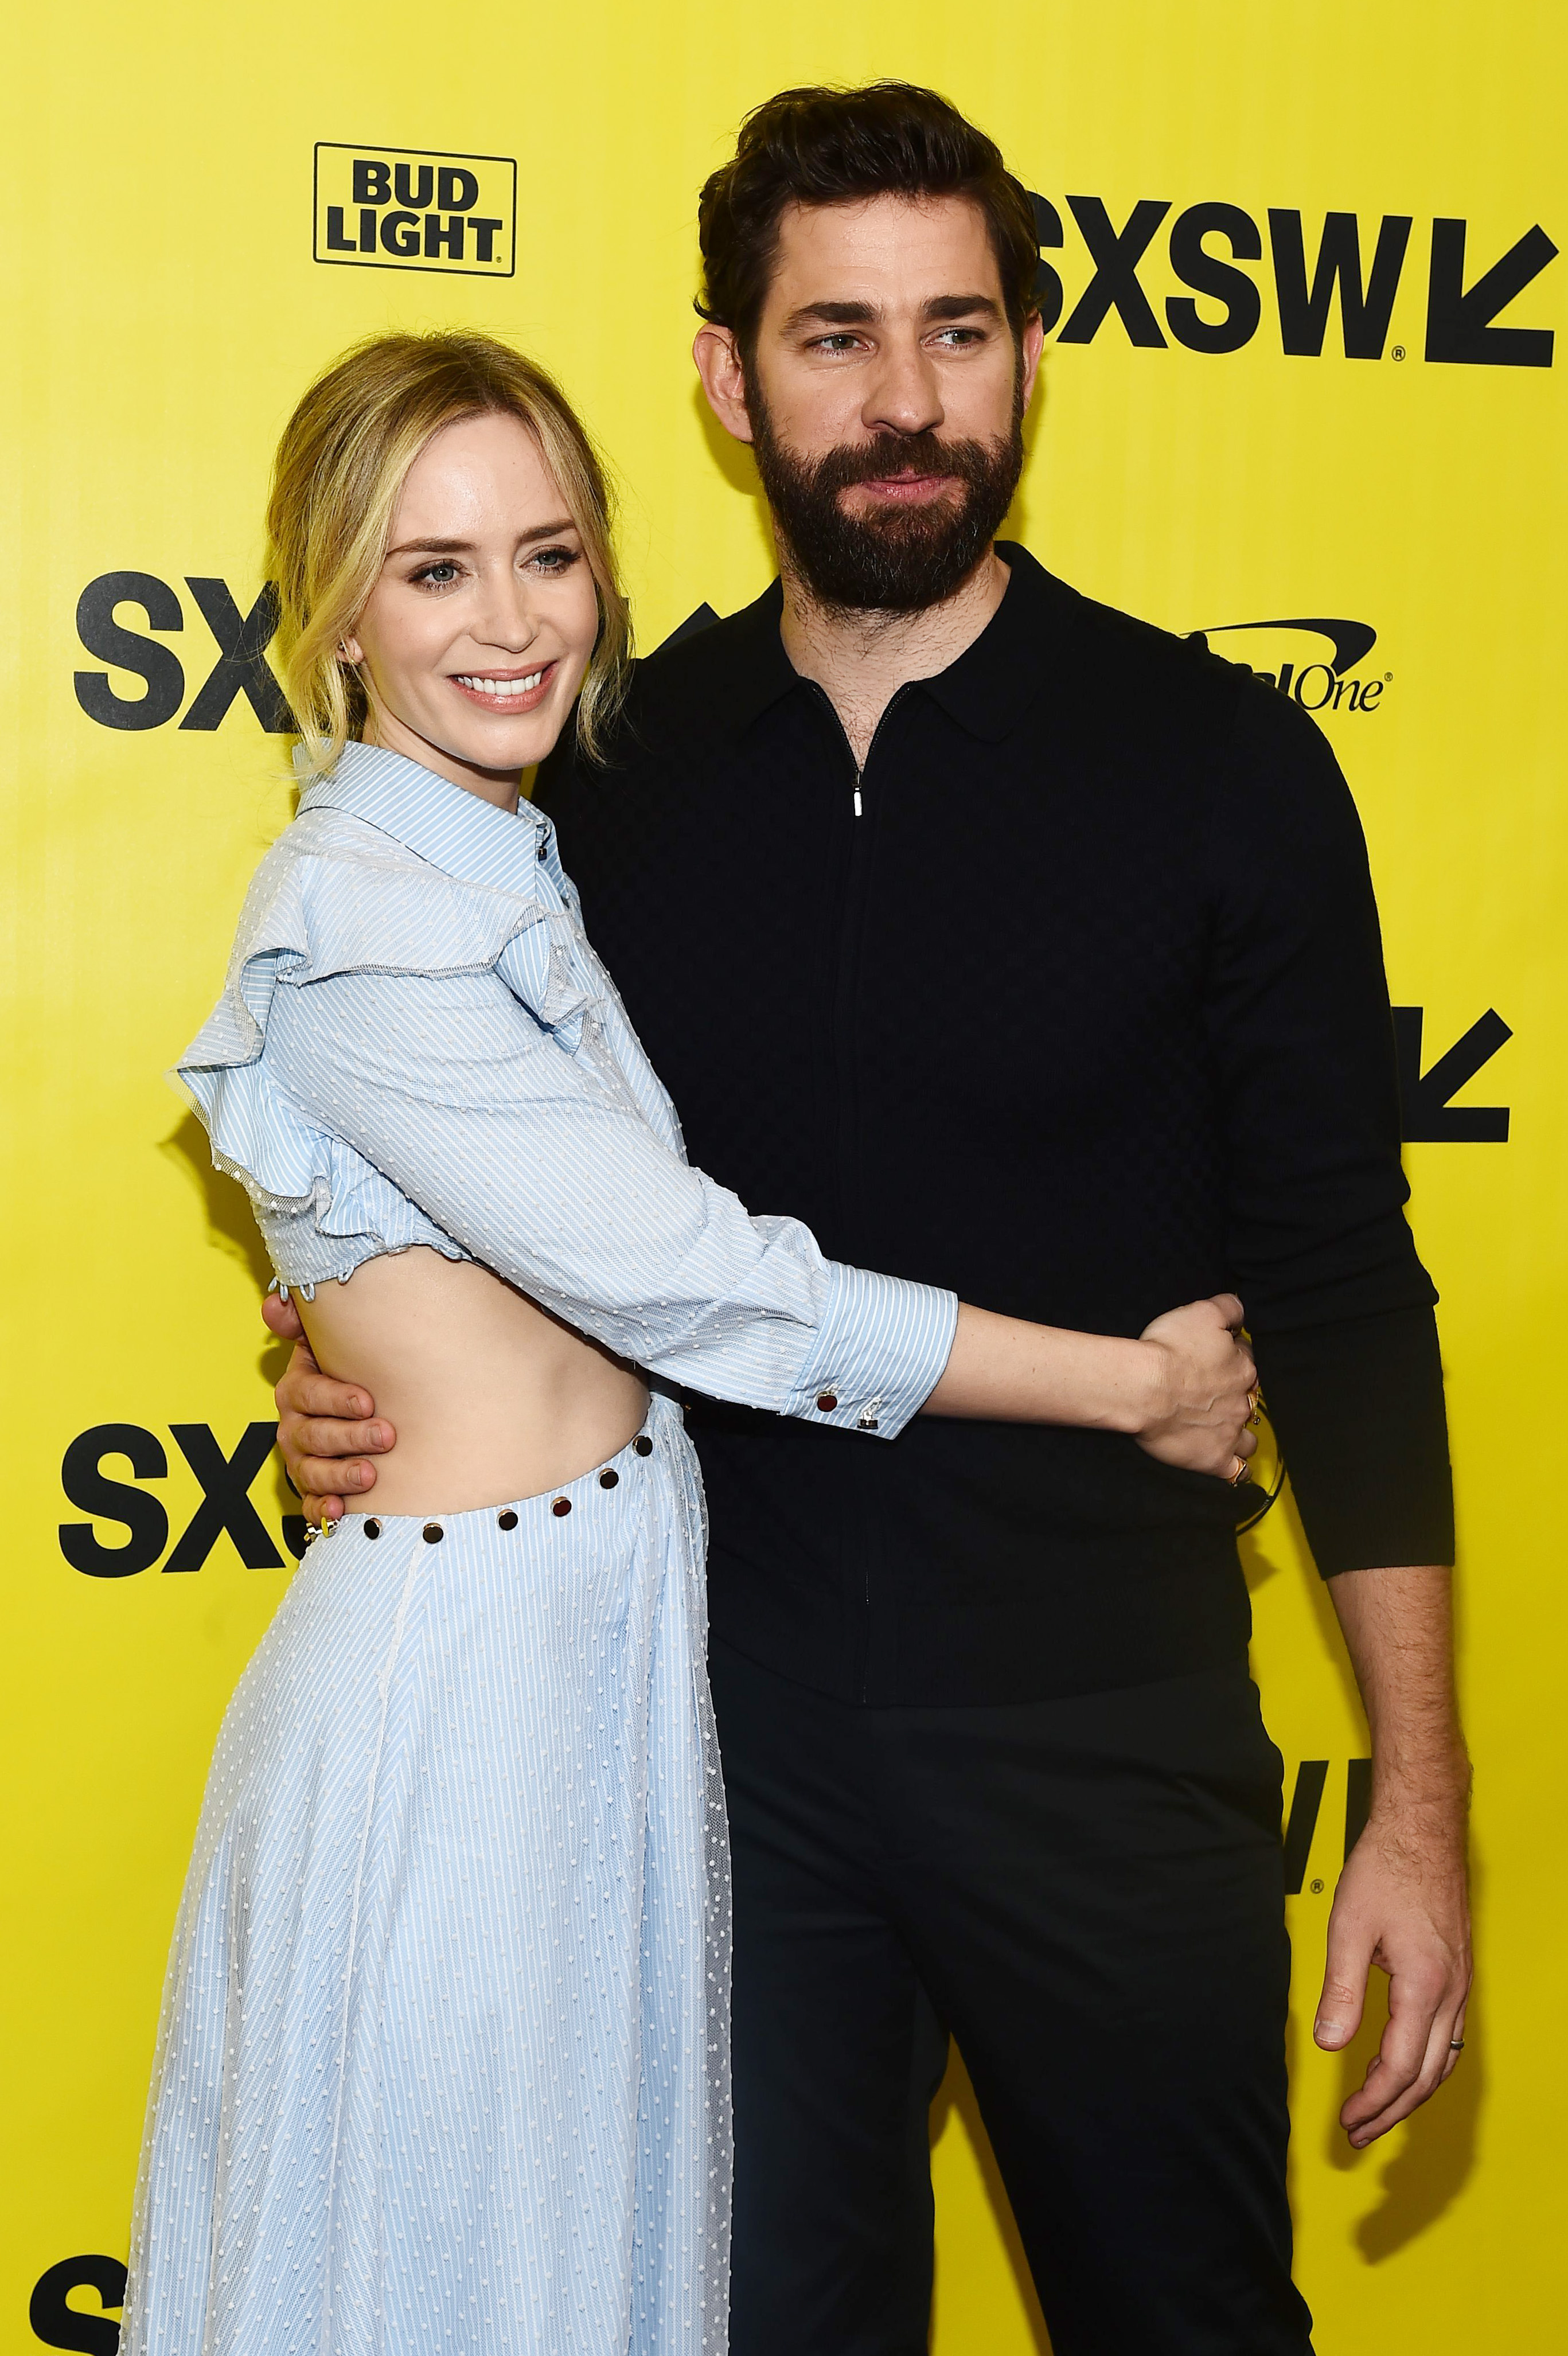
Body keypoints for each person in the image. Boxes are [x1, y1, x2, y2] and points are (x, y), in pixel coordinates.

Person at [276, 85, 1475, 2356]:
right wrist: (340, 1366)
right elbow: (475, 1178)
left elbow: (1343, 1290)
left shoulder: (1219, 763)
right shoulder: (596, 780)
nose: (905, 401)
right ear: (730, 381)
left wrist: (1418, 1803)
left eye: (959, 330)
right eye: (836, 337)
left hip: (1109, 1733)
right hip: (709, 1746)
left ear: (1029, 354)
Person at [124, 326, 1258, 2356]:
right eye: (435, 567)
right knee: (459, 2280)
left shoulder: (519, 850)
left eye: (549, 553)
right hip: (469, 1695)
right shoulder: (364, 921)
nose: (510, 621)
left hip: (609, 1653)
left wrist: (342, 1321)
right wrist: (1135, 1384)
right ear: (336, 609)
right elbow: (703, 1284)